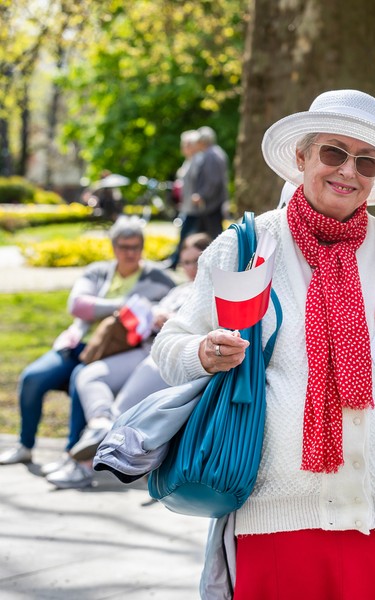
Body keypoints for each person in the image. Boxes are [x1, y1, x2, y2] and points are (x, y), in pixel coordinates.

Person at [152, 89, 375, 598]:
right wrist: (203, 353)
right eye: (333, 152)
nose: (348, 171)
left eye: (366, 161)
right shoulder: (246, 249)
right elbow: (169, 347)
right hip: (276, 519)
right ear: (302, 157)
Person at [0, 217, 175, 469]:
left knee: (80, 381)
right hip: (79, 344)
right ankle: (25, 445)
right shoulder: (98, 271)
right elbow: (78, 305)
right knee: (32, 378)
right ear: (113, 247)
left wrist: (143, 311)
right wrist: (126, 306)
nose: (130, 253)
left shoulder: (158, 279)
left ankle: (72, 457)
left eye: (136, 247)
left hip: (116, 352)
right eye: (124, 247)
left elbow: (166, 312)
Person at [46, 233, 212, 489]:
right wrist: (150, 314)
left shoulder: (211, 292)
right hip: (144, 347)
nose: (191, 268)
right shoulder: (178, 290)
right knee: (89, 375)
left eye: (196, 261)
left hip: (169, 357)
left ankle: (82, 467)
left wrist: (169, 320)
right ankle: (99, 424)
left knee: (122, 407)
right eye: (186, 262)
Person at [168, 130, 202, 269]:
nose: (184, 147)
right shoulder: (188, 161)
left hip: (194, 208)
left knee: (187, 235)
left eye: (187, 144)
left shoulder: (197, 161)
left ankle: (176, 260)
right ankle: (177, 260)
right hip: (186, 206)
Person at [191, 126, 230, 239]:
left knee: (212, 236)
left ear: (202, 141)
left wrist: (202, 195)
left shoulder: (211, 155)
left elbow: (213, 181)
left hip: (212, 205)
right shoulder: (215, 153)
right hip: (214, 203)